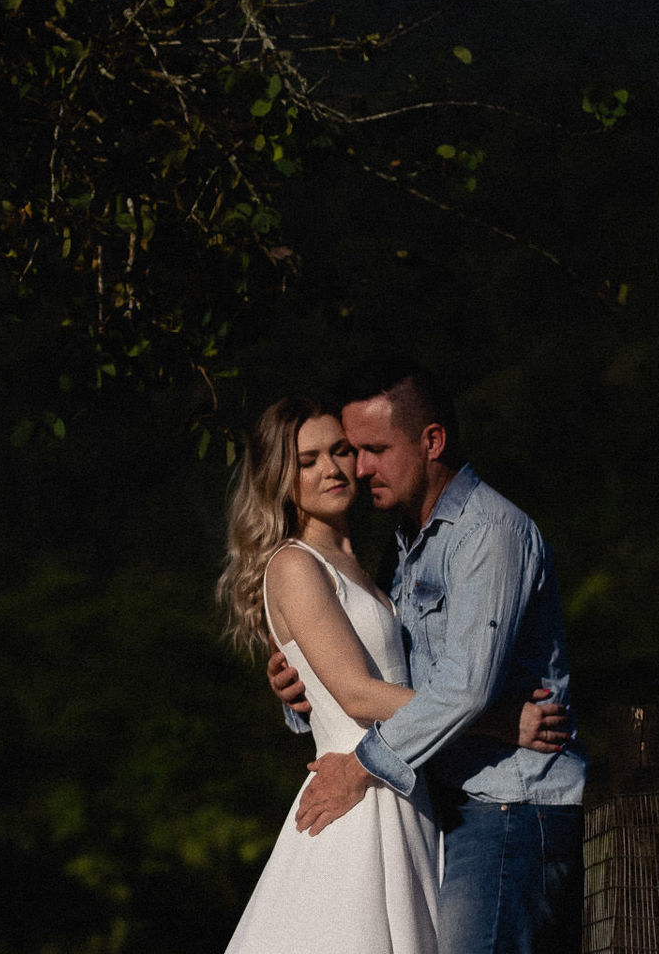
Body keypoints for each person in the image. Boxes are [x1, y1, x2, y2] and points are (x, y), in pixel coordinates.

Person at [217, 395, 569, 954]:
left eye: (340, 451)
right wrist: (499, 722)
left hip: (402, 786)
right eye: (307, 461)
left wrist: (296, 688)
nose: (333, 469)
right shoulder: (295, 564)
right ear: (280, 479)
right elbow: (356, 695)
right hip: (356, 793)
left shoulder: (372, 561)